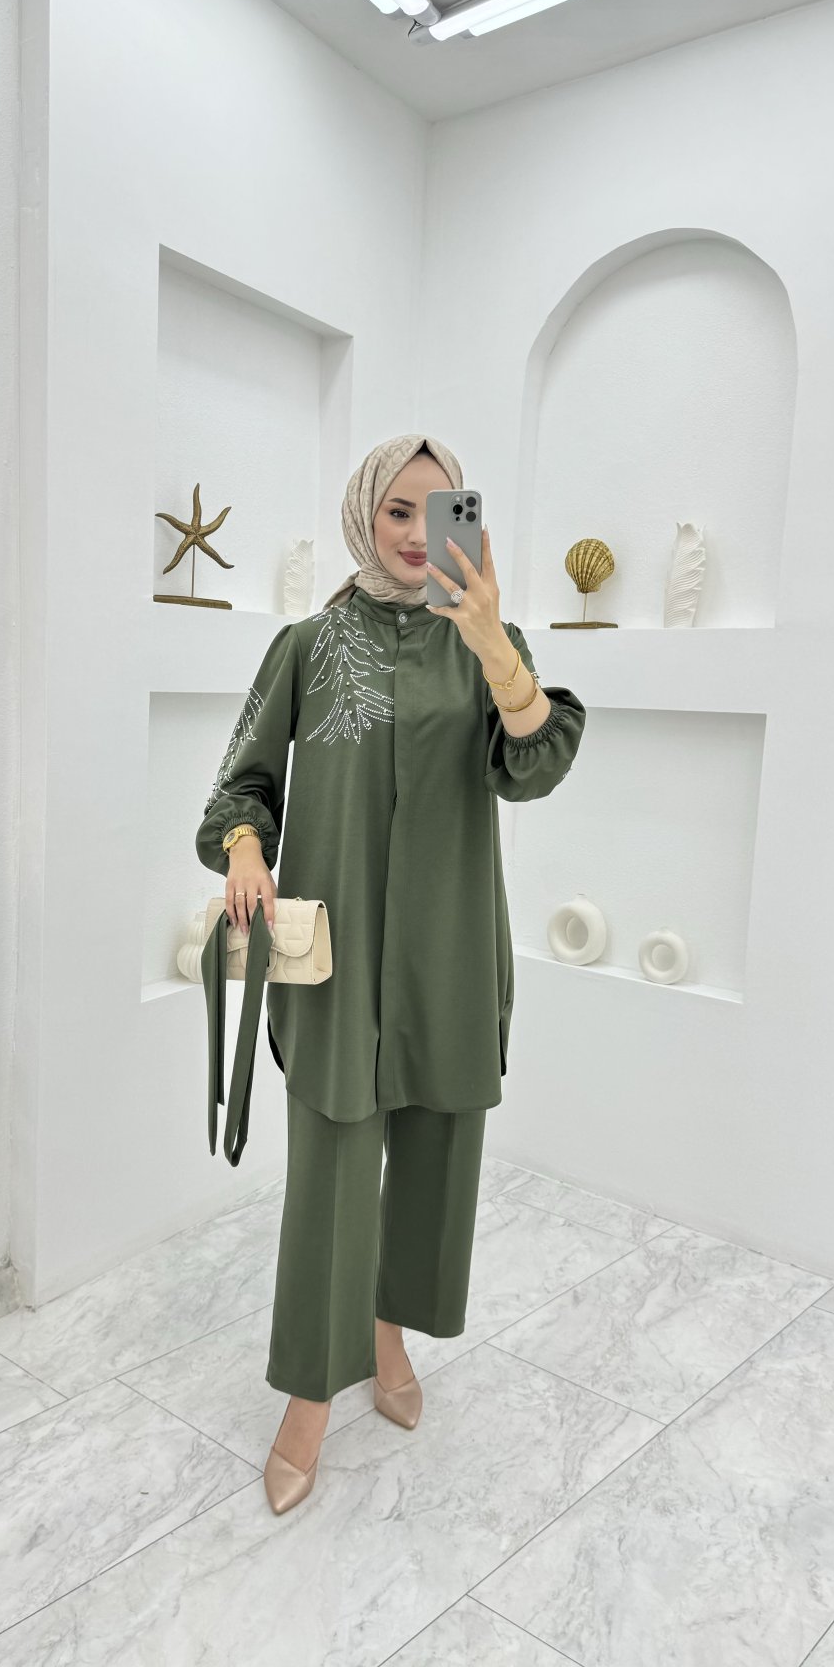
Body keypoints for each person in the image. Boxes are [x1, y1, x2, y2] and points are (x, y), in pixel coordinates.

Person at [195, 433, 586, 1513]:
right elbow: (239, 784)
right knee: (329, 1178)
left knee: (433, 1157)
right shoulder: (308, 645)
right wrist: (244, 848)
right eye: (396, 511)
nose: (417, 534)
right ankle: (308, 1398)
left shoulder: (489, 642)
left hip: (449, 948)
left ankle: (387, 1332)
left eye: (438, 510)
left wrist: (493, 644)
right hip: (338, 958)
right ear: (364, 516)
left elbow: (536, 765)